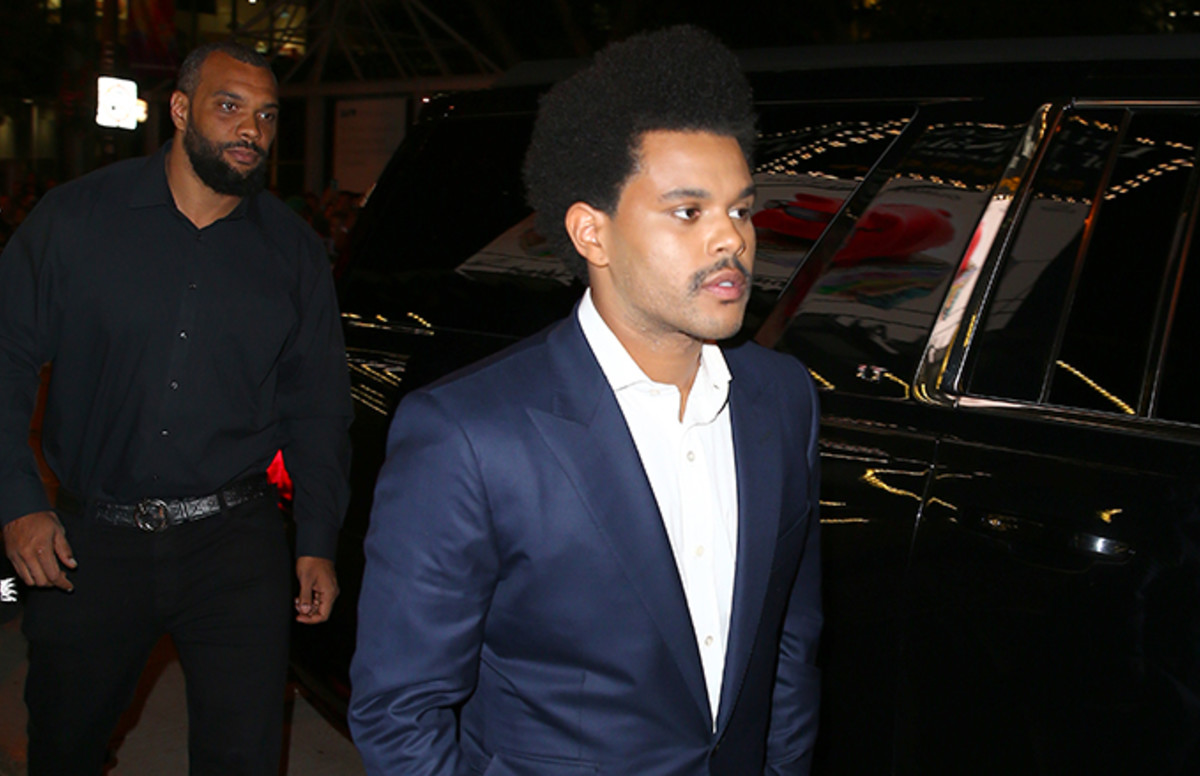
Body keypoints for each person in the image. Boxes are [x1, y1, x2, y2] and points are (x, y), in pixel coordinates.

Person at [349, 25, 822, 775]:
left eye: (741, 209)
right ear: (591, 233)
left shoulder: (782, 399)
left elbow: (789, 640)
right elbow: (401, 711)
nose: (731, 240)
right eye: (689, 212)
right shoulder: (470, 434)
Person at [0, 41, 352, 775]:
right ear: (181, 109)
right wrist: (18, 502)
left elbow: (318, 403)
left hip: (235, 544)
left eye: (266, 115)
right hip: (90, 545)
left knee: (244, 757)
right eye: (230, 107)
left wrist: (317, 537)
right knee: (64, 747)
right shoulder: (75, 219)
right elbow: (4, 360)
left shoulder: (293, 252)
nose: (251, 129)